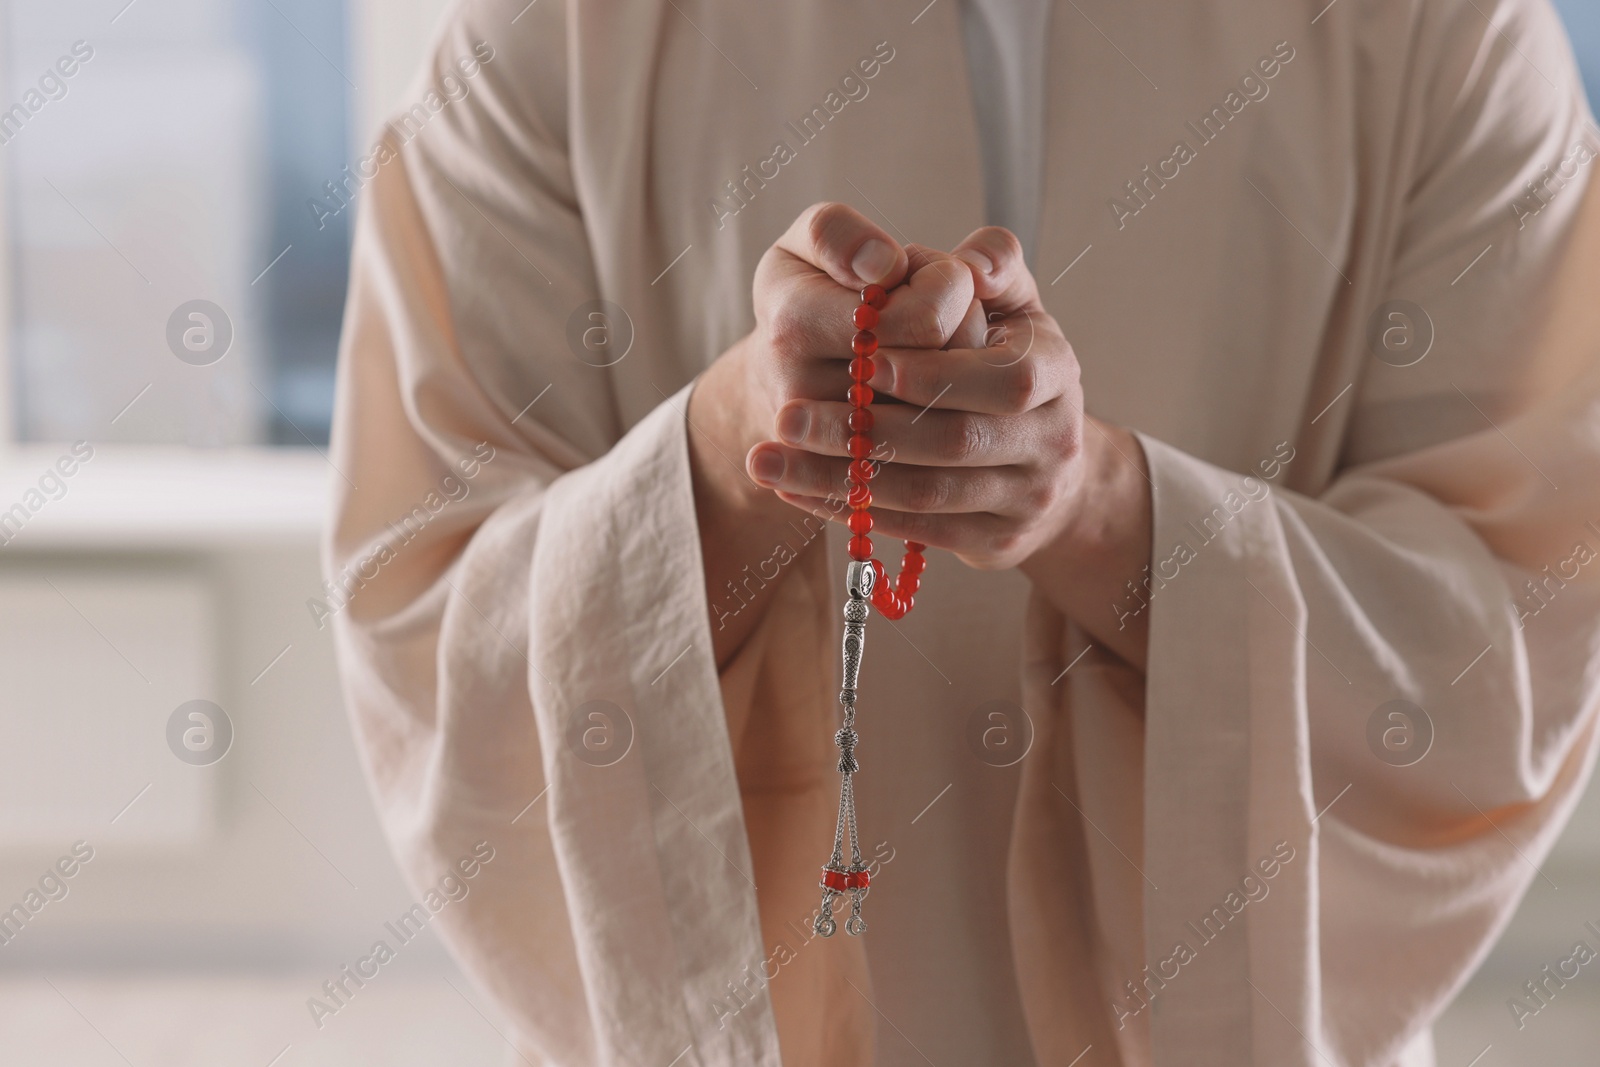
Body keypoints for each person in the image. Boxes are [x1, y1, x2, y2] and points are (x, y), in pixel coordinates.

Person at [324, 0, 1600, 1063]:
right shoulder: (546, 30)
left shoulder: (1442, 28)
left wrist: (1099, 509)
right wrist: (730, 446)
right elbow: (430, 610)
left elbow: (1521, 605)